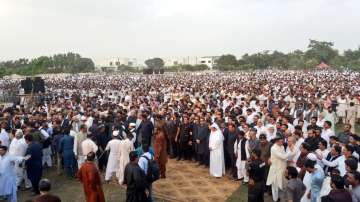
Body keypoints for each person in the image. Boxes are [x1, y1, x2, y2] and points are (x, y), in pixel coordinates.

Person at [266, 134, 295, 202]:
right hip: (275, 169)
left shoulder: (281, 146)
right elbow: (283, 157)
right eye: (281, 141)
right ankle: (275, 199)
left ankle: (280, 197)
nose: (283, 142)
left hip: (282, 168)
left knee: (281, 184)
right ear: (277, 142)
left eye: (282, 141)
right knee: (275, 185)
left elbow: (284, 157)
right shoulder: (274, 148)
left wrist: (288, 159)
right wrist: (290, 151)